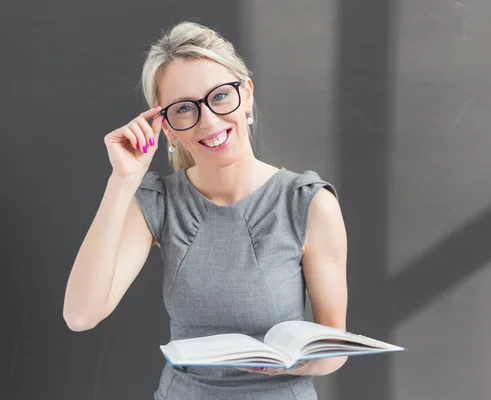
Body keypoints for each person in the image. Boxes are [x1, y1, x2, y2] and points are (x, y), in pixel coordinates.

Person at [62, 21, 348, 399]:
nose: (209, 121)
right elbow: (81, 315)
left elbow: (334, 347)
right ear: (167, 127)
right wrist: (122, 181)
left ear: (246, 94)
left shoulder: (308, 203)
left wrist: (288, 363)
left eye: (220, 96)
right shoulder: (160, 202)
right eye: (184, 108)